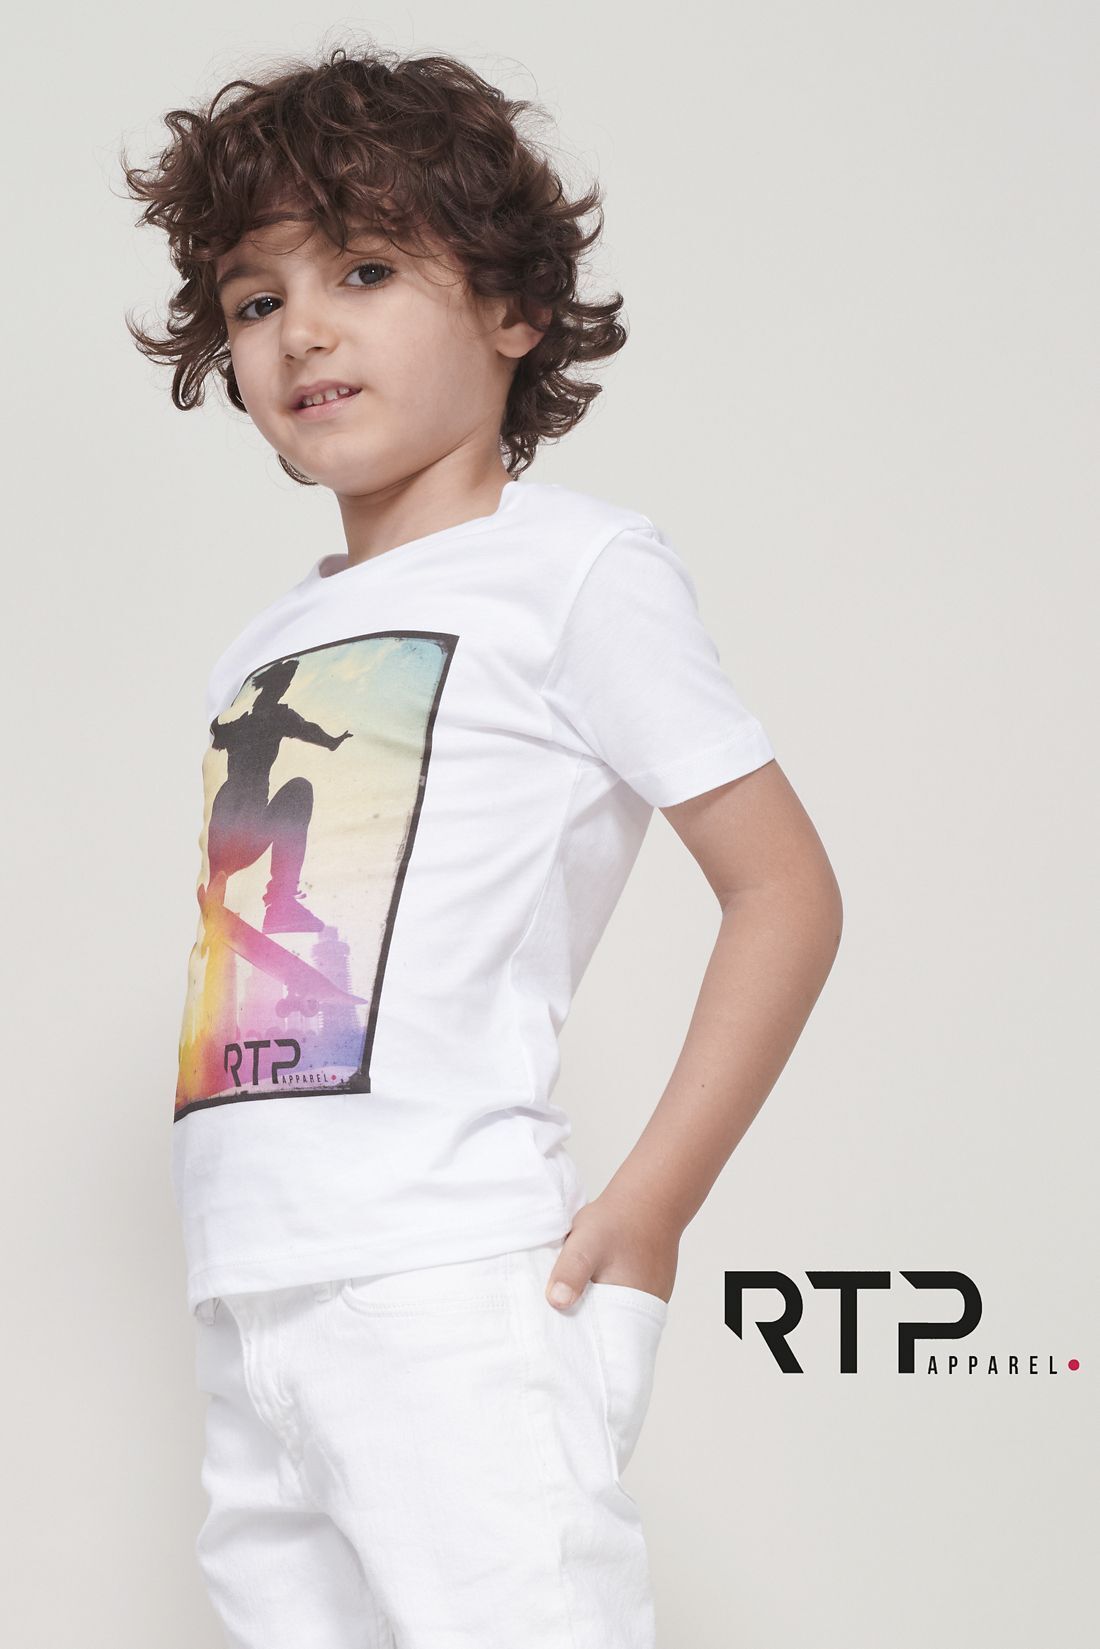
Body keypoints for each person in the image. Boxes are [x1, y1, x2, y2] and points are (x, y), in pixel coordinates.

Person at [121, 40, 842, 1649]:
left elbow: (785, 889)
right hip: (249, 1296)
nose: (303, 327)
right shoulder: (261, 645)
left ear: (512, 307)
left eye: (365, 270)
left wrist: (652, 1205)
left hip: (447, 1280)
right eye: (257, 298)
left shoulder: (578, 572)